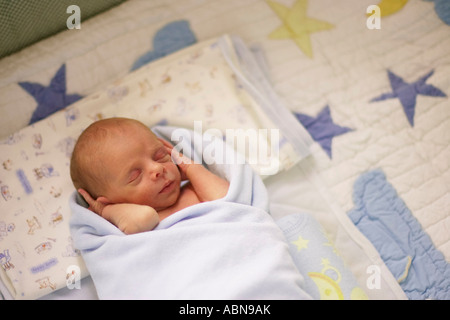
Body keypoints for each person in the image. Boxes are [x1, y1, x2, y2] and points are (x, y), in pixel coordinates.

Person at [70, 117, 229, 234]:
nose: (157, 168)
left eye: (160, 156)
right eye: (135, 176)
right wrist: (105, 211)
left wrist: (189, 167)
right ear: (111, 202)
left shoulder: (195, 188)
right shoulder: (129, 223)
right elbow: (145, 218)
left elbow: (227, 198)